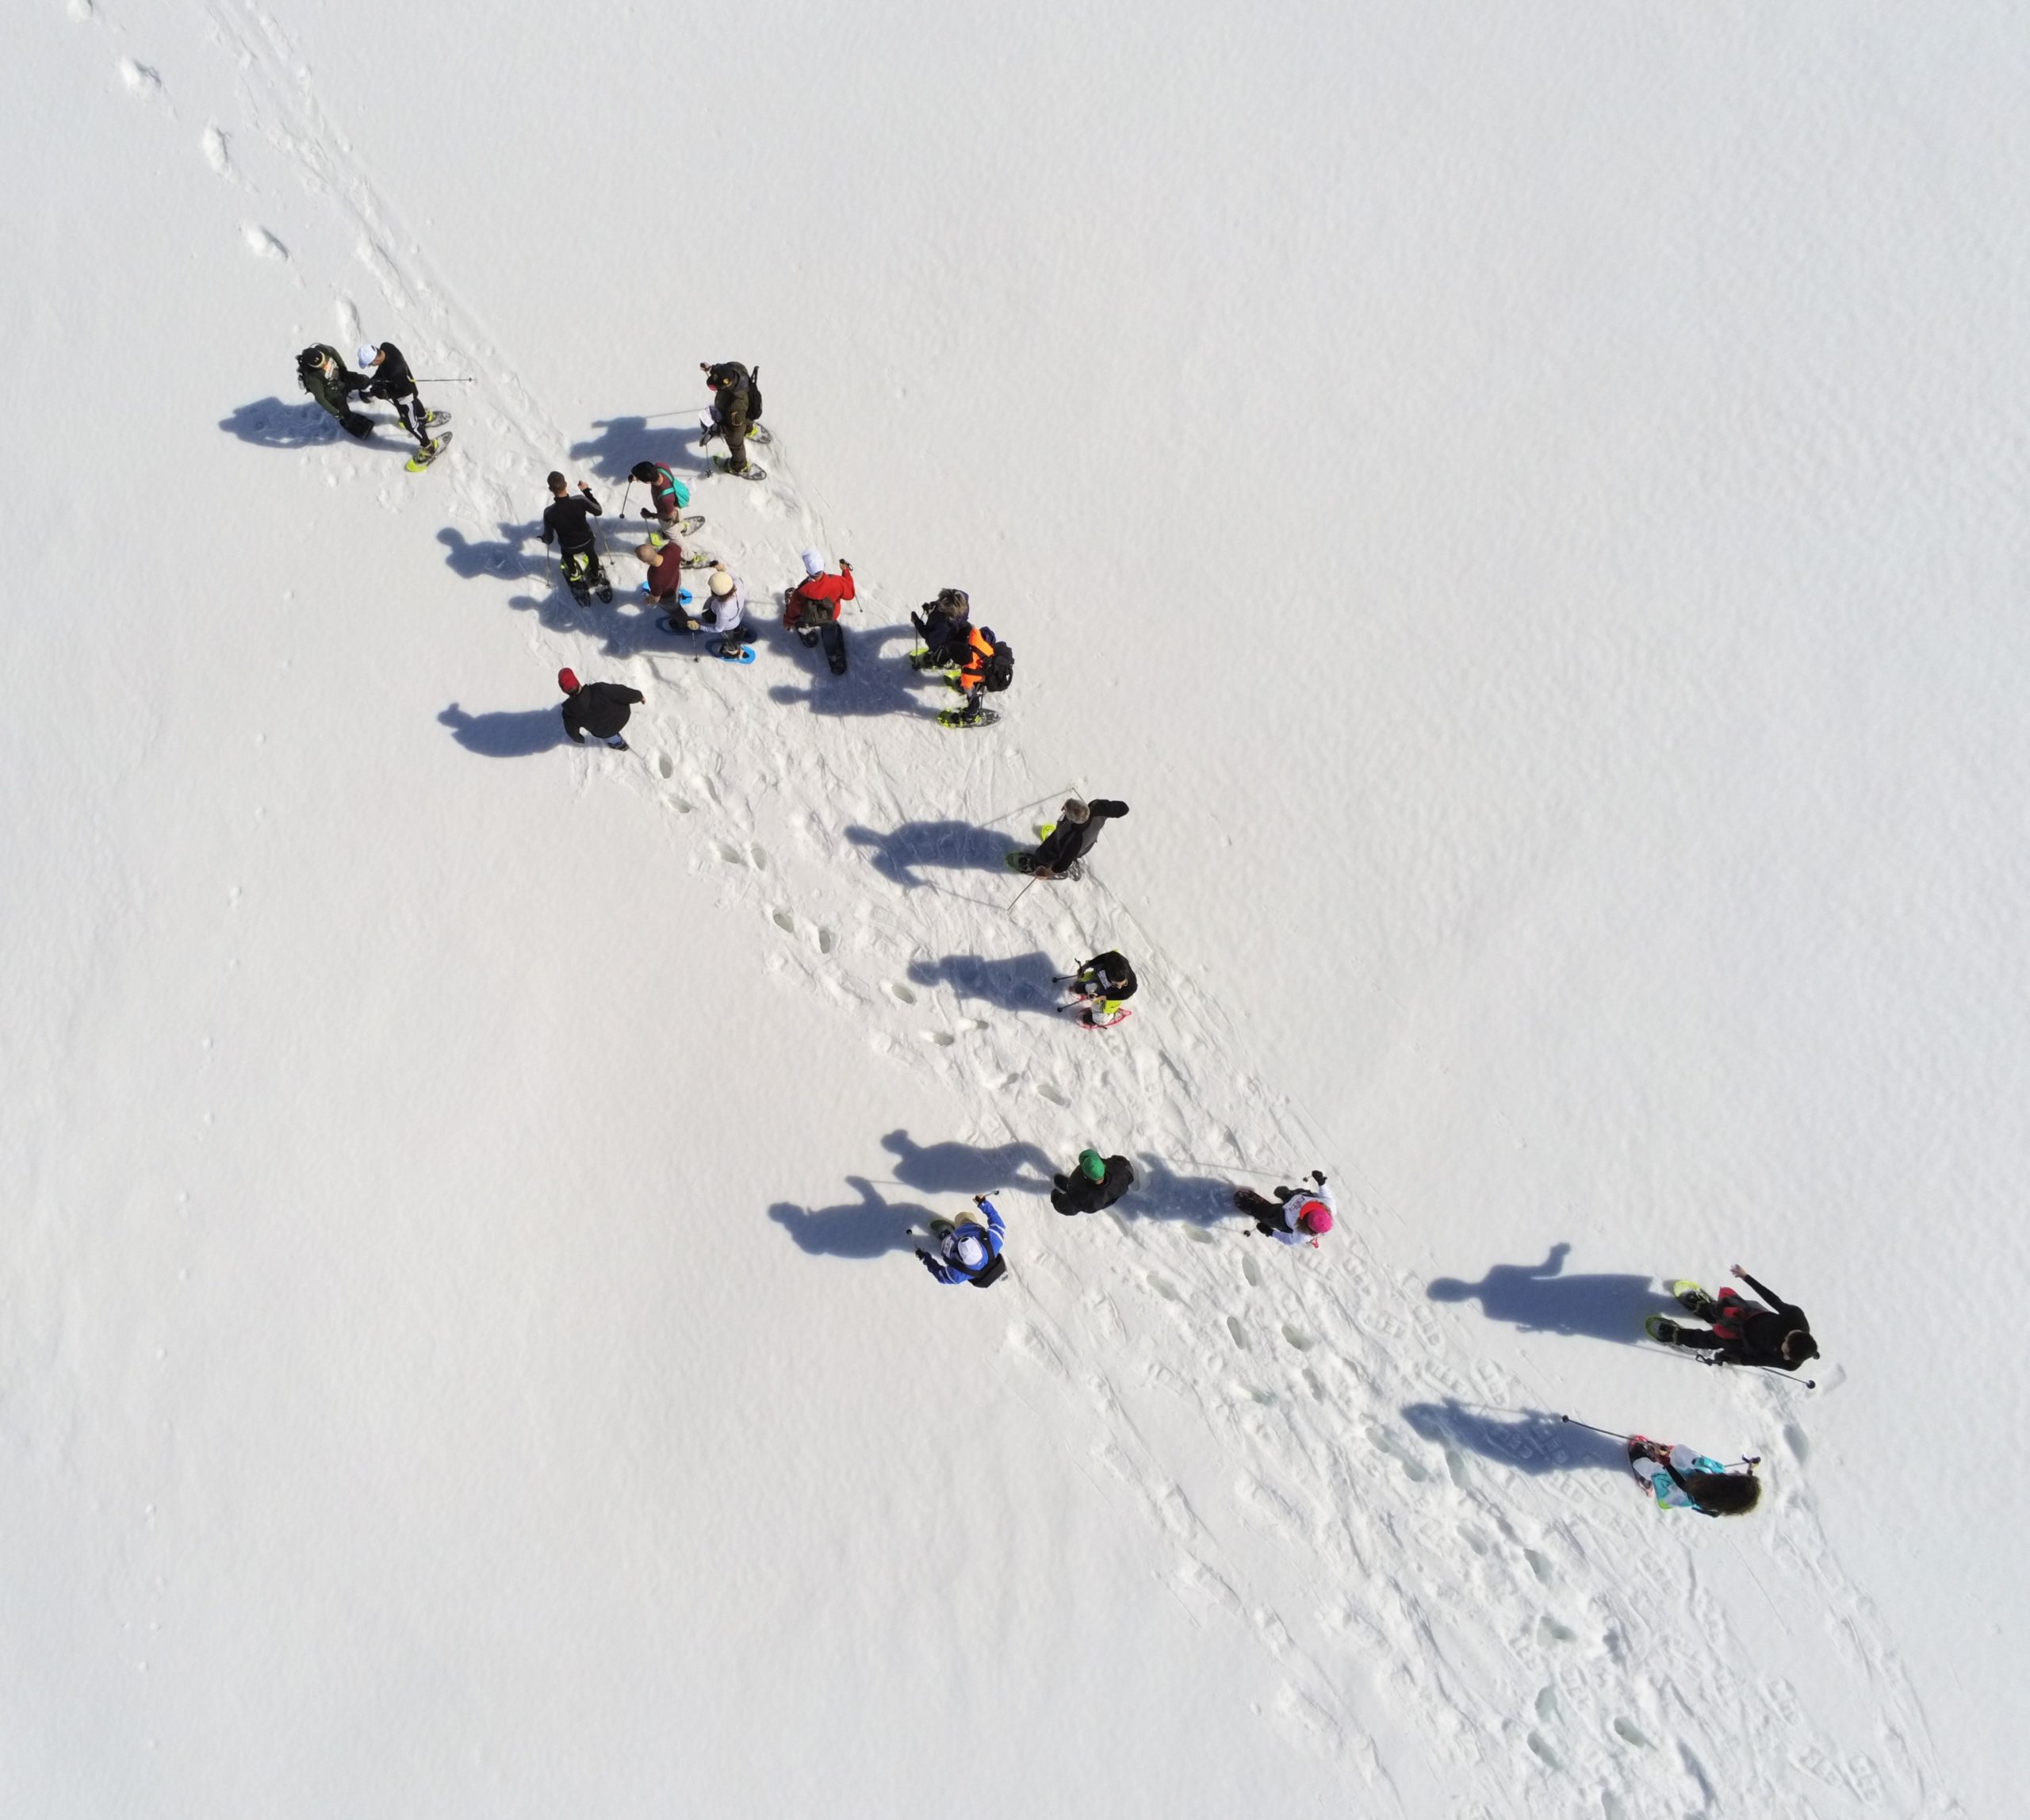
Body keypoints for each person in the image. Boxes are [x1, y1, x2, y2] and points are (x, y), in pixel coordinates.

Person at [1649, 1266, 1818, 1372]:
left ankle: (1678, 1336)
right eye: (1786, 1351)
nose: (1785, 1356)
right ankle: (1705, 1308)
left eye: (1787, 1356)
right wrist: (1747, 1277)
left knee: (1712, 1339)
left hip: (1744, 1342)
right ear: (1790, 1335)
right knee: (1722, 1310)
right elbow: (1773, 1299)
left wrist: (1737, 1359)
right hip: (1750, 1316)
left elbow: (1761, 1359)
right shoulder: (1795, 1316)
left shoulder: (1790, 1363)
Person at [1626, 1437, 1762, 1517]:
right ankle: (1673, 1458)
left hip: (1679, 1484)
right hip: (1695, 1480)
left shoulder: (1704, 1486)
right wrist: (1750, 1469)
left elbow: (1683, 1485)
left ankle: (1640, 1461)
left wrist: (1666, 1461)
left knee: (1657, 1472)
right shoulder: (1722, 1501)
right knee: (1687, 1457)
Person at [539, 472, 611, 605]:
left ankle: (574, 574)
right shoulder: (580, 500)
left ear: (550, 489)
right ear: (566, 484)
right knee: (591, 554)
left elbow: (549, 539)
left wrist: (544, 539)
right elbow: (598, 511)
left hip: (569, 546)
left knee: (566, 555)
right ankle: (595, 575)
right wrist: (586, 491)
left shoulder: (549, 512)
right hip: (587, 540)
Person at [1025, 797, 1128, 879]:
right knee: (1063, 847)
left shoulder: (1073, 841)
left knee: (1049, 852)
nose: (1063, 810)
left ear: (1072, 820)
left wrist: (1047, 873)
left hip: (1075, 845)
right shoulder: (1098, 806)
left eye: (1065, 811)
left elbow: (1063, 864)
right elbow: (1124, 808)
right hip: (1087, 842)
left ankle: (1038, 863)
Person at [915, 1194, 1006, 1287]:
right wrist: (983, 1203)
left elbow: (940, 1276)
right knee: (964, 1217)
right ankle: (950, 1233)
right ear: (977, 1243)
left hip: (949, 1245)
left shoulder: (956, 1274)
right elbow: (998, 1224)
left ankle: (946, 1234)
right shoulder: (994, 1242)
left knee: (947, 1242)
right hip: (967, 1228)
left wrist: (926, 1259)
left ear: (961, 1258)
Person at [356, 342, 432, 446]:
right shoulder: (386, 347)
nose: (370, 366)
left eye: (369, 364)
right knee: (415, 400)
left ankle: (429, 447)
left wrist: (385, 394)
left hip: (405, 398)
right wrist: (376, 379)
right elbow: (383, 368)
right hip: (406, 384)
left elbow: (407, 391)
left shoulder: (395, 372)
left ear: (376, 360)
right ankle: (424, 417)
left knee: (410, 425)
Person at [1235, 1172, 1335, 1247]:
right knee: (1289, 1193)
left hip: (1282, 1218)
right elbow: (1326, 1195)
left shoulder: (1302, 1235)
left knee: (1268, 1215)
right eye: (1312, 1206)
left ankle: (1256, 1208)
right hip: (1299, 1197)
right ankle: (1287, 1196)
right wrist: (1321, 1182)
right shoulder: (1330, 1205)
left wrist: (1270, 1232)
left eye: (1306, 1211)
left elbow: (1289, 1240)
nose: (1306, 1206)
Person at [296, 344, 372, 439]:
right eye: (320, 365)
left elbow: (333, 352)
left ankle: (366, 392)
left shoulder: (324, 350)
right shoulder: (313, 379)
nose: (324, 364)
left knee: (363, 381)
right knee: (344, 412)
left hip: (343, 377)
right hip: (335, 394)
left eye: (323, 360)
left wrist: (343, 368)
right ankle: (350, 422)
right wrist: (335, 412)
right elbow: (320, 398)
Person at [557, 667, 642, 749]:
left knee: (609, 736)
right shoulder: (599, 689)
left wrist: (579, 739)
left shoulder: (569, 713)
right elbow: (623, 692)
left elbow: (572, 732)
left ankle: (618, 744)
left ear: (564, 690)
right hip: (623, 716)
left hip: (604, 732)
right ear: (577, 681)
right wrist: (639, 696)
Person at [700, 361, 760, 474]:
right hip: (747, 408)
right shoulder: (736, 368)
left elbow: (733, 428)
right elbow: (723, 370)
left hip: (736, 421)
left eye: (713, 388)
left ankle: (739, 467)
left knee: (736, 444)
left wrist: (714, 430)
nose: (714, 389)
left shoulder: (734, 407)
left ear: (726, 385)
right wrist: (711, 369)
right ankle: (750, 431)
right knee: (746, 419)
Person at [782, 549, 855, 641]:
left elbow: (793, 610)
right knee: (830, 625)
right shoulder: (837, 582)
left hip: (810, 618)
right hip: (832, 615)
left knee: (799, 613)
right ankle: (831, 641)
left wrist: (788, 622)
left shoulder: (801, 592)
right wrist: (846, 571)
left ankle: (805, 629)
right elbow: (850, 594)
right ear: (823, 565)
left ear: (808, 571)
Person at [1051, 1148, 1136, 1217]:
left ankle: (1069, 1189)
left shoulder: (1083, 1197)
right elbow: (1123, 1162)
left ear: (1086, 1175)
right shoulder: (1121, 1169)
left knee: (1076, 1195)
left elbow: (1066, 1207)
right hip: (1113, 1194)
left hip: (1089, 1199)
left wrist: (1055, 1198)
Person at [1063, 950, 1136, 1027]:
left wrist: (1100, 998)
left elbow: (1119, 996)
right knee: (1088, 980)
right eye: (1116, 984)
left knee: (1098, 1008)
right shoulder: (1113, 959)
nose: (1120, 987)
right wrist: (1086, 966)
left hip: (1115, 995)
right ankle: (1085, 989)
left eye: (1124, 984)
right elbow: (1103, 958)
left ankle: (1102, 1019)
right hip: (1104, 980)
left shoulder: (1130, 988)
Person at [909, 588, 972, 671]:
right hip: (955, 632)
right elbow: (944, 602)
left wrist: (917, 622)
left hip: (945, 643)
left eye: (942, 608)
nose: (939, 608)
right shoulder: (961, 601)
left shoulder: (945, 626)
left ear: (950, 612)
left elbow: (929, 637)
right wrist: (932, 606)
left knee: (938, 657)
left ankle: (936, 661)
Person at [630, 459, 691, 535]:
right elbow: (650, 473)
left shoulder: (665, 498)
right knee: (677, 515)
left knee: (672, 533)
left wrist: (651, 515)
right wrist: (637, 477)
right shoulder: (660, 465)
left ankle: (678, 531)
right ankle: (683, 527)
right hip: (676, 499)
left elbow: (669, 515)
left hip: (668, 511)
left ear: (648, 482)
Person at [635, 539, 688, 613]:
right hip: (677, 579)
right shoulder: (671, 548)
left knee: (675, 610)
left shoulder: (654, 577)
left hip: (669, 595)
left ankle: (682, 619)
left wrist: (649, 600)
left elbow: (656, 599)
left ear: (646, 562)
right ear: (653, 548)